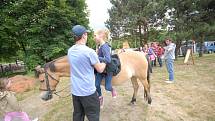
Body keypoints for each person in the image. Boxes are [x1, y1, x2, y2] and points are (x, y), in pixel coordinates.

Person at [68, 25, 106, 121]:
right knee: (93, 116)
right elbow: (100, 69)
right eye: (87, 34)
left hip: (75, 92)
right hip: (88, 92)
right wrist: (106, 61)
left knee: (78, 115)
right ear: (84, 35)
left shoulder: (70, 51)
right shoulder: (89, 52)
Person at [94, 29, 117, 108]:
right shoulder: (99, 46)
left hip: (108, 69)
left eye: (95, 35)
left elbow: (108, 59)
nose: (94, 37)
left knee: (107, 87)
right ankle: (100, 97)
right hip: (101, 69)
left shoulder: (105, 46)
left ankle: (112, 89)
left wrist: (97, 57)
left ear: (101, 36)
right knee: (96, 85)